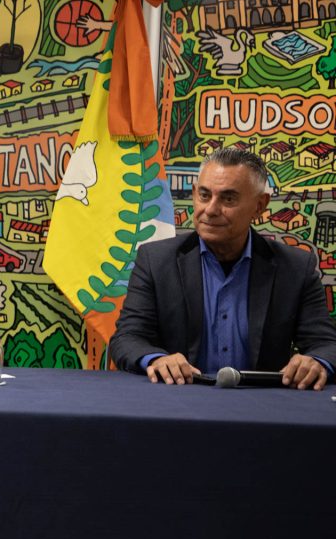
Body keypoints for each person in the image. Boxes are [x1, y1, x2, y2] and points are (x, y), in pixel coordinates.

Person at [110, 147, 336, 390]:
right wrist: (157, 359)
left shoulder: (295, 268)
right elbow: (127, 338)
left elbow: (326, 344)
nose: (210, 209)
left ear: (259, 206)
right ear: (194, 194)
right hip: (178, 399)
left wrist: (315, 361)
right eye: (204, 195)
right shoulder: (155, 261)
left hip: (264, 403)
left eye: (228, 199)